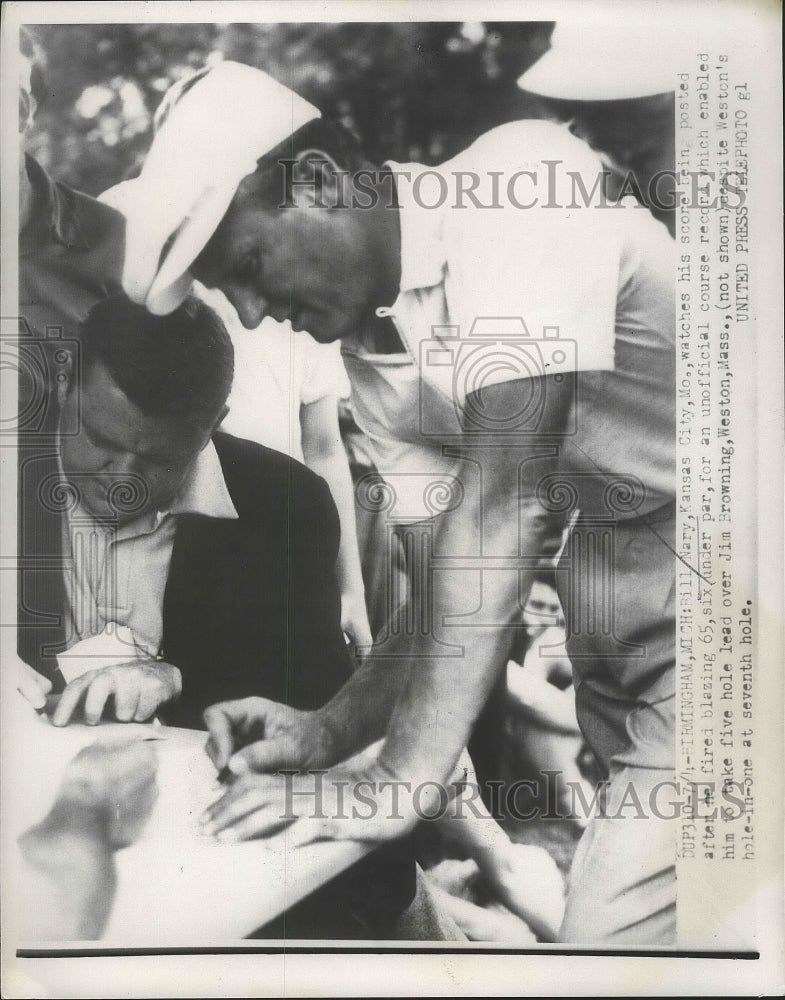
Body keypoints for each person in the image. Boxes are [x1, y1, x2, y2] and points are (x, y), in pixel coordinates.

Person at [111, 60, 676, 945]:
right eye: (234, 293)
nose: (254, 316)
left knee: (613, 951)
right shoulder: (379, 351)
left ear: (319, 180)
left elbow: (504, 504)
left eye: (251, 264)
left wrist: (397, 779)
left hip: (727, 589)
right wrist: (327, 730)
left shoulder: (512, 185)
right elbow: (441, 603)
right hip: (626, 616)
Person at [18, 292, 352, 729]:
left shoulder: (286, 504)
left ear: (213, 425)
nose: (124, 482)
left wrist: (179, 678)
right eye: (102, 441)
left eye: (159, 461)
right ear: (64, 382)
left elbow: (318, 694)